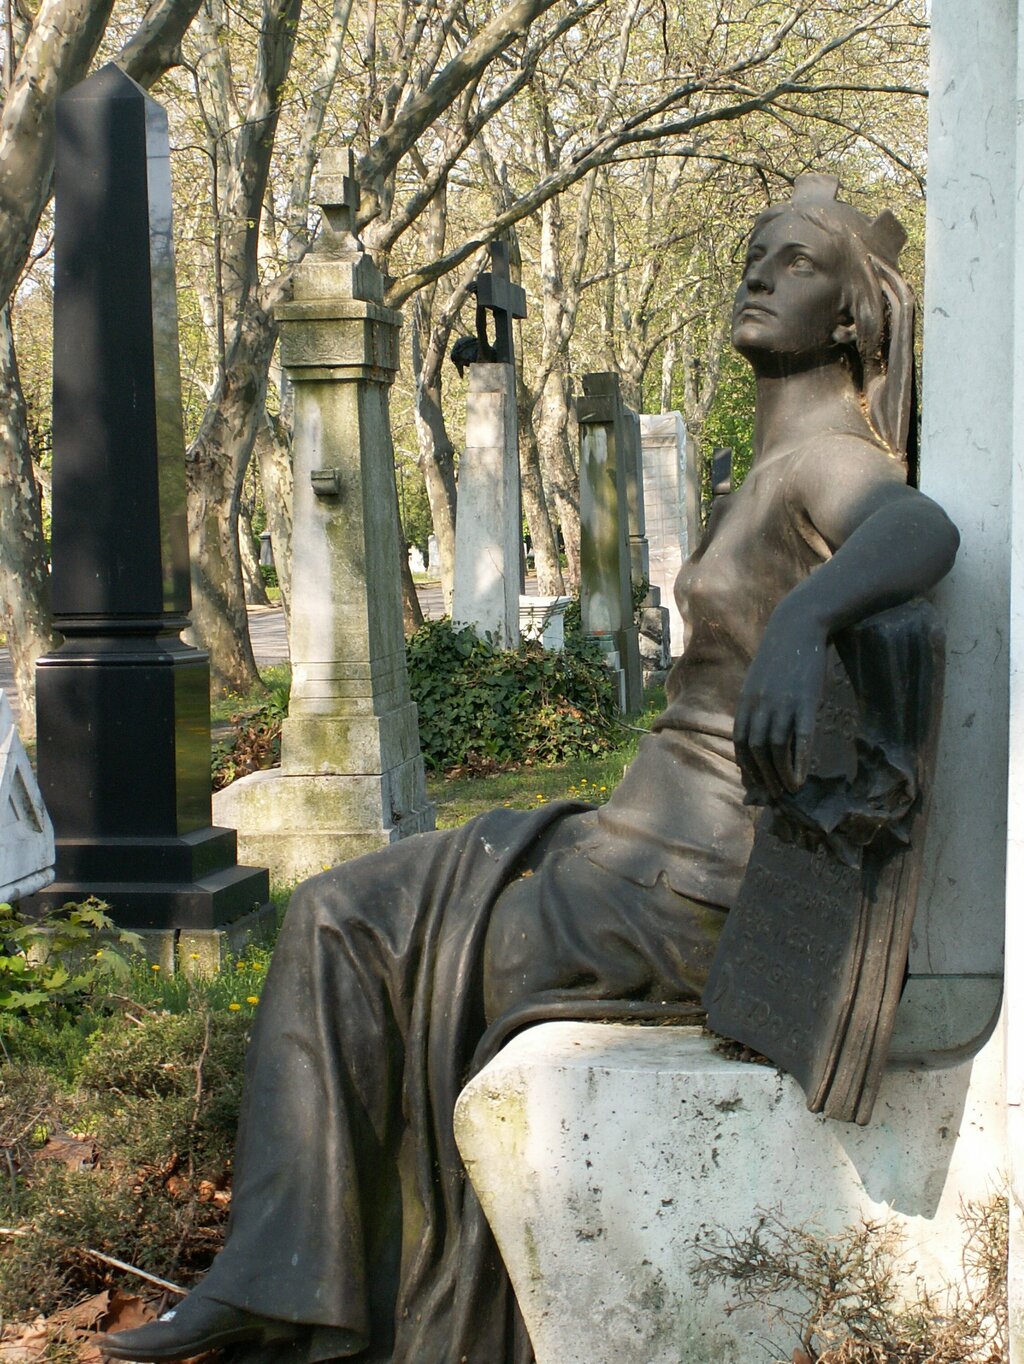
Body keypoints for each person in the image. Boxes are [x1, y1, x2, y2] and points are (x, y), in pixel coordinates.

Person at [102, 174, 959, 1364]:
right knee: (341, 911)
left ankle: (302, 1295)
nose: (760, 273)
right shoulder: (760, 471)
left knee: (362, 925)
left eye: (796, 261)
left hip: (687, 891)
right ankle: (283, 1281)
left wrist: (809, 614)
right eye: (753, 254)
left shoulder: (827, 458)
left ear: (853, 314)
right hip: (623, 849)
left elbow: (920, 529)